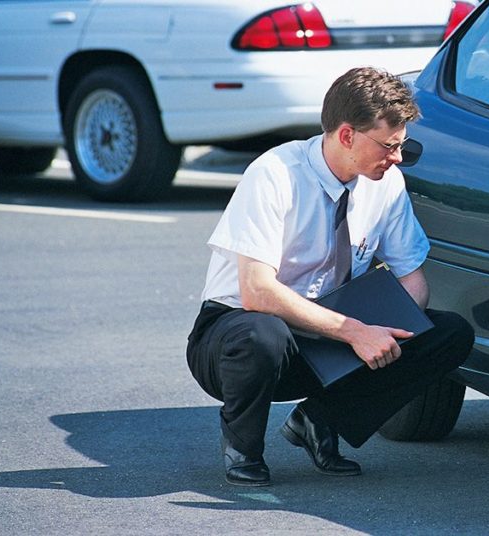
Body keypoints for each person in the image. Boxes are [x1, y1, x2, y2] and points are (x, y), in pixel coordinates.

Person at [185, 67, 474, 487]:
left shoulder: (385, 182)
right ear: (346, 136)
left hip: (331, 331)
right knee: (264, 333)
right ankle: (242, 447)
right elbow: (257, 291)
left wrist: (392, 334)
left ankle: (320, 421)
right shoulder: (275, 173)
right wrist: (356, 332)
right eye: (389, 147)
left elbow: (414, 281)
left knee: (449, 332)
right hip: (239, 336)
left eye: (403, 146)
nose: (397, 158)